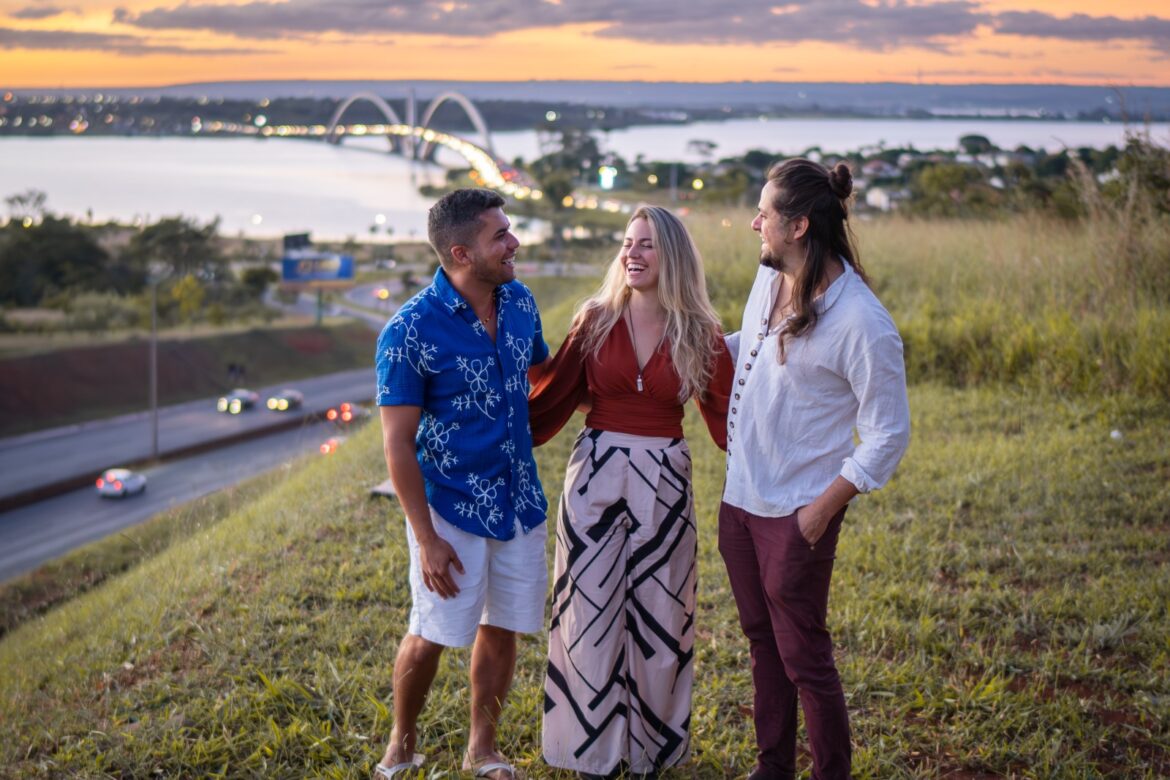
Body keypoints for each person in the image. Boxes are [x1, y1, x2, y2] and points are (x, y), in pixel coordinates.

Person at [718, 158, 911, 780]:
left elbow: (887, 435)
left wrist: (819, 513)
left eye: (766, 215)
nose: (755, 224)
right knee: (761, 644)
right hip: (740, 500)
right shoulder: (769, 276)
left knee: (805, 659)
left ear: (798, 226)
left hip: (796, 513)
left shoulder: (861, 322)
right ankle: (772, 768)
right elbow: (754, 345)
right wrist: (696, 339)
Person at [528, 205, 734, 778]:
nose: (632, 254)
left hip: (665, 479)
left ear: (672, 256)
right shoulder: (594, 318)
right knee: (586, 611)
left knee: (662, 617)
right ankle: (585, 748)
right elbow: (550, 398)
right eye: (627, 243)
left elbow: (729, 418)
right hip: (594, 473)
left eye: (646, 245)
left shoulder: (700, 331)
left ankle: (650, 750)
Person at [372, 188, 550, 780]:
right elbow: (397, 444)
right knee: (432, 631)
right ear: (460, 252)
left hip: (519, 501)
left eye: (509, 229)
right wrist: (426, 539)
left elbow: (540, 376)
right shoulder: (409, 332)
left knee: (503, 627)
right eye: (499, 235)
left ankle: (483, 748)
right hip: (449, 507)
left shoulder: (521, 303)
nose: (513, 242)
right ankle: (401, 743)